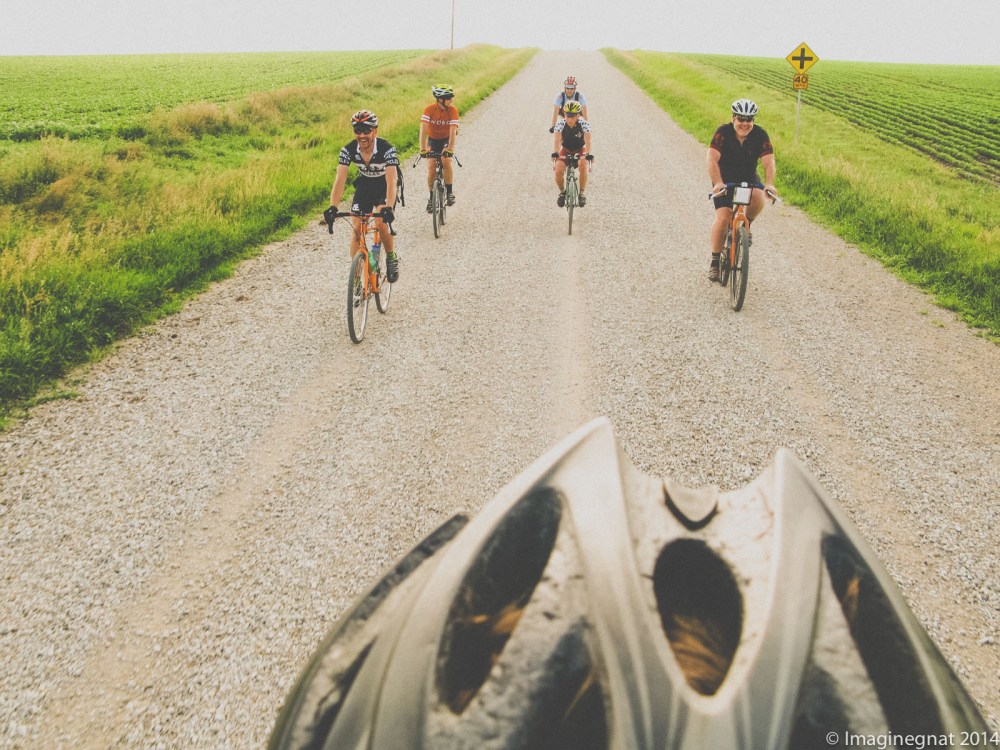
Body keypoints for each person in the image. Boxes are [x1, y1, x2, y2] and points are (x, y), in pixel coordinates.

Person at [706, 98, 777, 282]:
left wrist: (769, 184)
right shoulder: (723, 133)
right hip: (724, 180)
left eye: (749, 119)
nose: (745, 123)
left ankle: (747, 226)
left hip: (748, 177)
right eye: (741, 119)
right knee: (723, 218)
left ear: (753, 121)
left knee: (758, 196)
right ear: (733, 119)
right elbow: (712, 159)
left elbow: (769, 162)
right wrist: (718, 182)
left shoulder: (760, 135)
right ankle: (715, 262)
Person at [325, 110, 400, 283]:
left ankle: (391, 257)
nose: (362, 135)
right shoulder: (348, 150)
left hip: (384, 186)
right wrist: (333, 206)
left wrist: (389, 207)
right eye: (358, 130)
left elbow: (392, 181)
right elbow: (340, 179)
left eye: (366, 130)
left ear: (375, 131)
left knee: (380, 222)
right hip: (365, 186)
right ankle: (357, 280)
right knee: (356, 229)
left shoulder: (387, 149)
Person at [419, 84, 460, 211]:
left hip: (446, 139)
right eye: (449, 97)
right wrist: (422, 149)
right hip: (433, 140)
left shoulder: (452, 110)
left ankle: (449, 192)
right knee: (431, 168)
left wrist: (450, 149)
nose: (451, 99)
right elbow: (423, 130)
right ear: (440, 99)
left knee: (445, 160)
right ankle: (431, 198)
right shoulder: (429, 109)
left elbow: (453, 132)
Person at [551, 100, 592, 207]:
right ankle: (562, 192)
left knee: (583, 165)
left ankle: (581, 194)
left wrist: (588, 153)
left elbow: (588, 141)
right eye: (567, 115)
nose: (569, 119)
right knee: (558, 170)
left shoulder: (584, 124)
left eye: (572, 116)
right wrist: (555, 152)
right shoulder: (561, 123)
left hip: (580, 149)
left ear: (578, 115)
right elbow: (557, 139)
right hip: (565, 149)